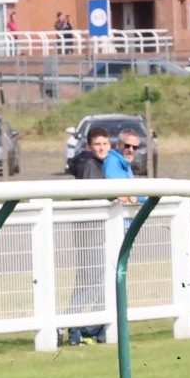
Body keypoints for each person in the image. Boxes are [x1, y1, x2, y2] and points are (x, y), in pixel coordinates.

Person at [64, 127, 115, 344]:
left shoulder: (101, 164)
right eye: (97, 144)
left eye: (104, 143)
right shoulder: (88, 165)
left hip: (96, 231)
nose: (101, 147)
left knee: (99, 282)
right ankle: (72, 324)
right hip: (89, 232)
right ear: (89, 146)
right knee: (92, 282)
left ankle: (92, 328)